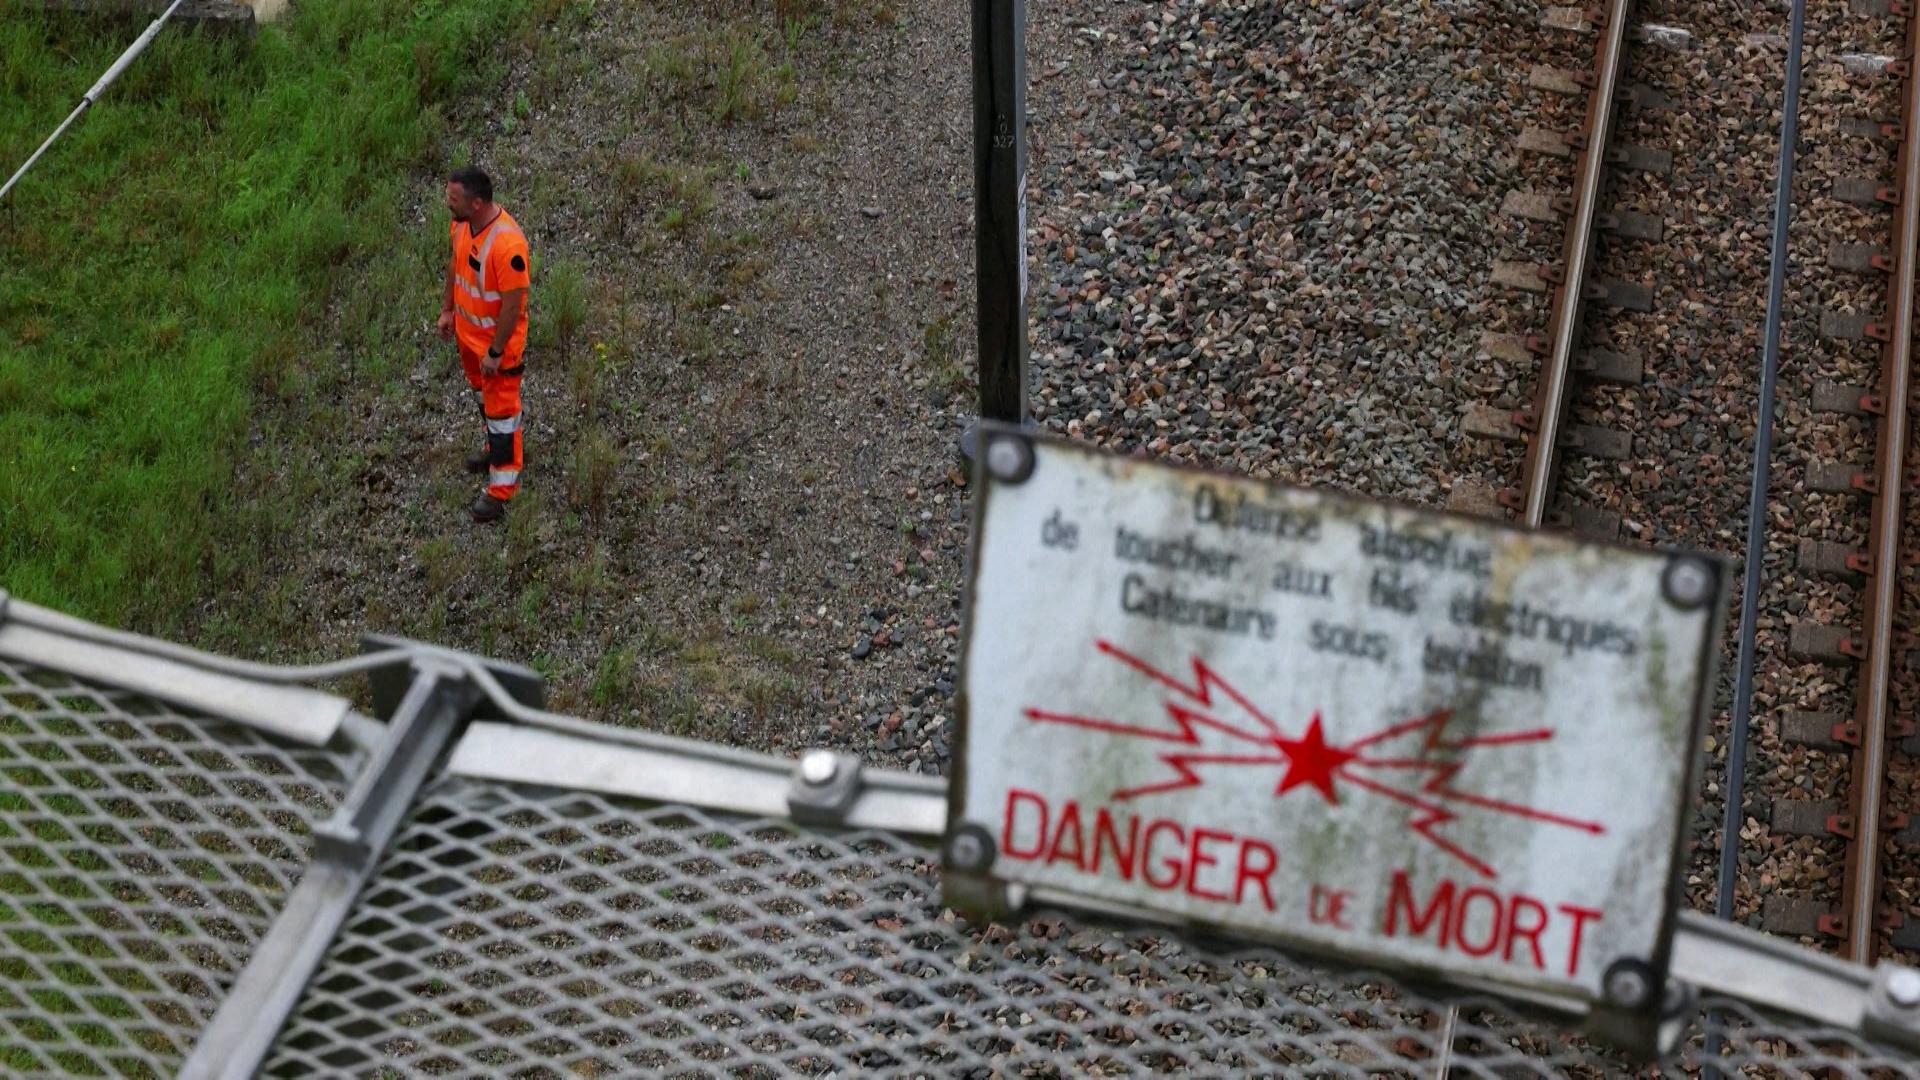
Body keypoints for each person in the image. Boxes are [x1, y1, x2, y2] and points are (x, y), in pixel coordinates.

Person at [436, 166, 532, 523]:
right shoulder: (462, 225)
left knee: (503, 414)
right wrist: (448, 310)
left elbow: (513, 304)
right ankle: (495, 449)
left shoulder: (508, 245)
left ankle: (502, 489)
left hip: (496, 349)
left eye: (454, 200)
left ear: (476, 203)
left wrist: (495, 351)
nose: (448, 205)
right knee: (485, 402)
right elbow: (455, 265)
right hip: (469, 339)